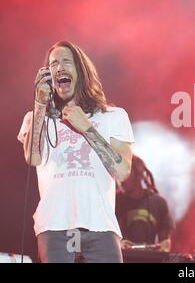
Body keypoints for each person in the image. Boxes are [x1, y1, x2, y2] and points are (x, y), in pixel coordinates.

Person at [17, 41, 134, 263]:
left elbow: (122, 170)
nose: (59, 67)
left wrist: (87, 129)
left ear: (81, 70)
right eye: (53, 64)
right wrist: (39, 105)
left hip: (100, 226)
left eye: (66, 61)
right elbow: (33, 157)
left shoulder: (113, 116)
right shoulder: (35, 118)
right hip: (54, 226)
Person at [116, 155, 174, 253]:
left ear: (139, 174)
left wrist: (164, 247)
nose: (120, 179)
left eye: (125, 174)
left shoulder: (159, 203)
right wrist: (118, 244)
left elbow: (165, 240)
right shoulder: (114, 202)